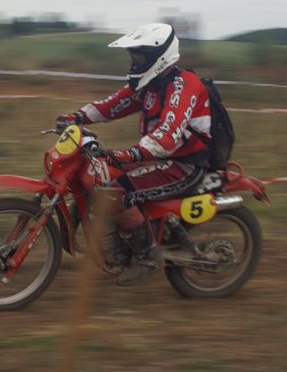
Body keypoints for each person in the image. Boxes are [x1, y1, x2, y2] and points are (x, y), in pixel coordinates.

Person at [56, 23, 211, 285]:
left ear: (159, 56)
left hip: (183, 165)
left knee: (118, 193)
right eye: (133, 56)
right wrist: (76, 117)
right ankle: (109, 242)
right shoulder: (148, 85)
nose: (135, 61)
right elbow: (112, 105)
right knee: (99, 177)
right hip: (157, 160)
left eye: (140, 56)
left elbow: (167, 137)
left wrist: (126, 154)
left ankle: (148, 256)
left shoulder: (183, 86)